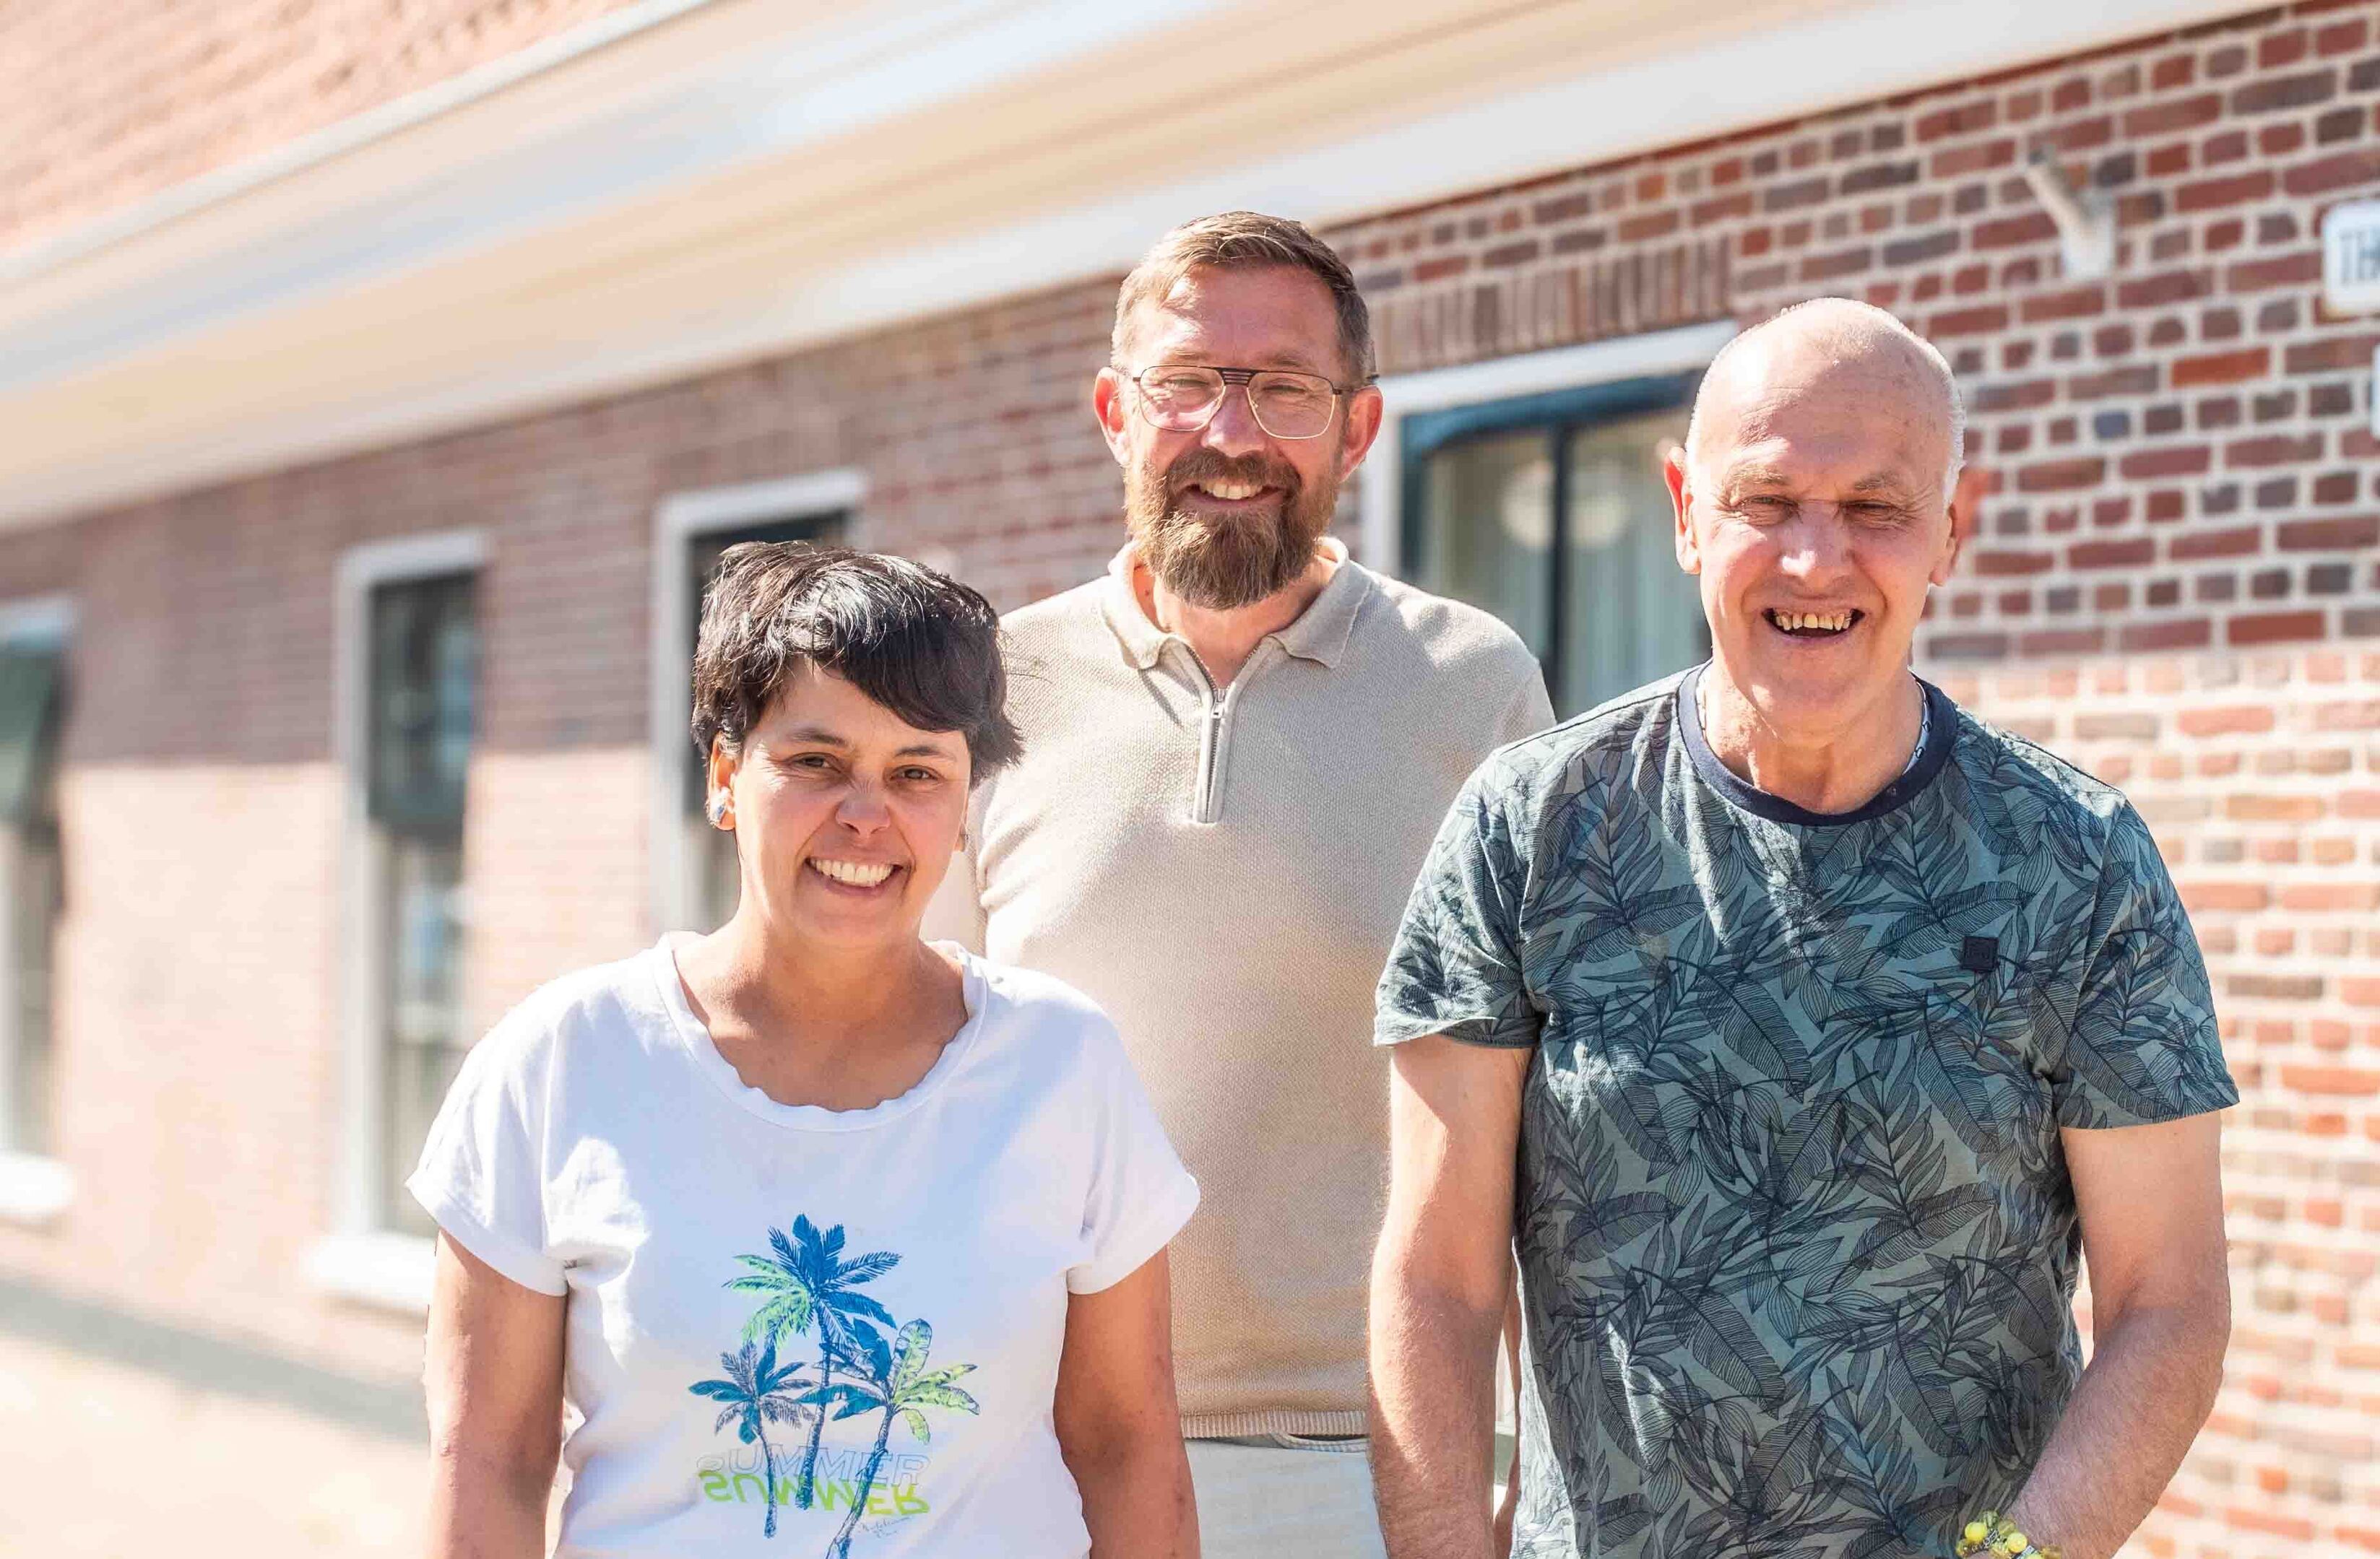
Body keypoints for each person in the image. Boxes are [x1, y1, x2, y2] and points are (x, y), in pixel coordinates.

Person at [1369, 299, 2239, 1559]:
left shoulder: (2078, 861)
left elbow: (2168, 1303)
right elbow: (1437, 1281)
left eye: (1877, 508)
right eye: (1767, 500)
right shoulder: (1536, 827)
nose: (1816, 560)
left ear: (1953, 528)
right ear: (1683, 512)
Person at [922, 211, 1550, 1558]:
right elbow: (915, 1075)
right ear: (1113, 410)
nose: (1233, 432)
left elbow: (1548, 1108)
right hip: (1035, 1452)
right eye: (1190, 383)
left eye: (1285, 390)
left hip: (1375, 1462)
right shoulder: (984, 692)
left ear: (1360, 429)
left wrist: (1517, 1478)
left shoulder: (1476, 687)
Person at [413, 543, 1200, 1558]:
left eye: (918, 772)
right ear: (726, 776)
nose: (866, 815)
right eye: (817, 763)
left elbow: (1129, 1448)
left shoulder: (1063, 1064)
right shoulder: (560, 1063)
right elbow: (486, 1461)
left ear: (965, 810)